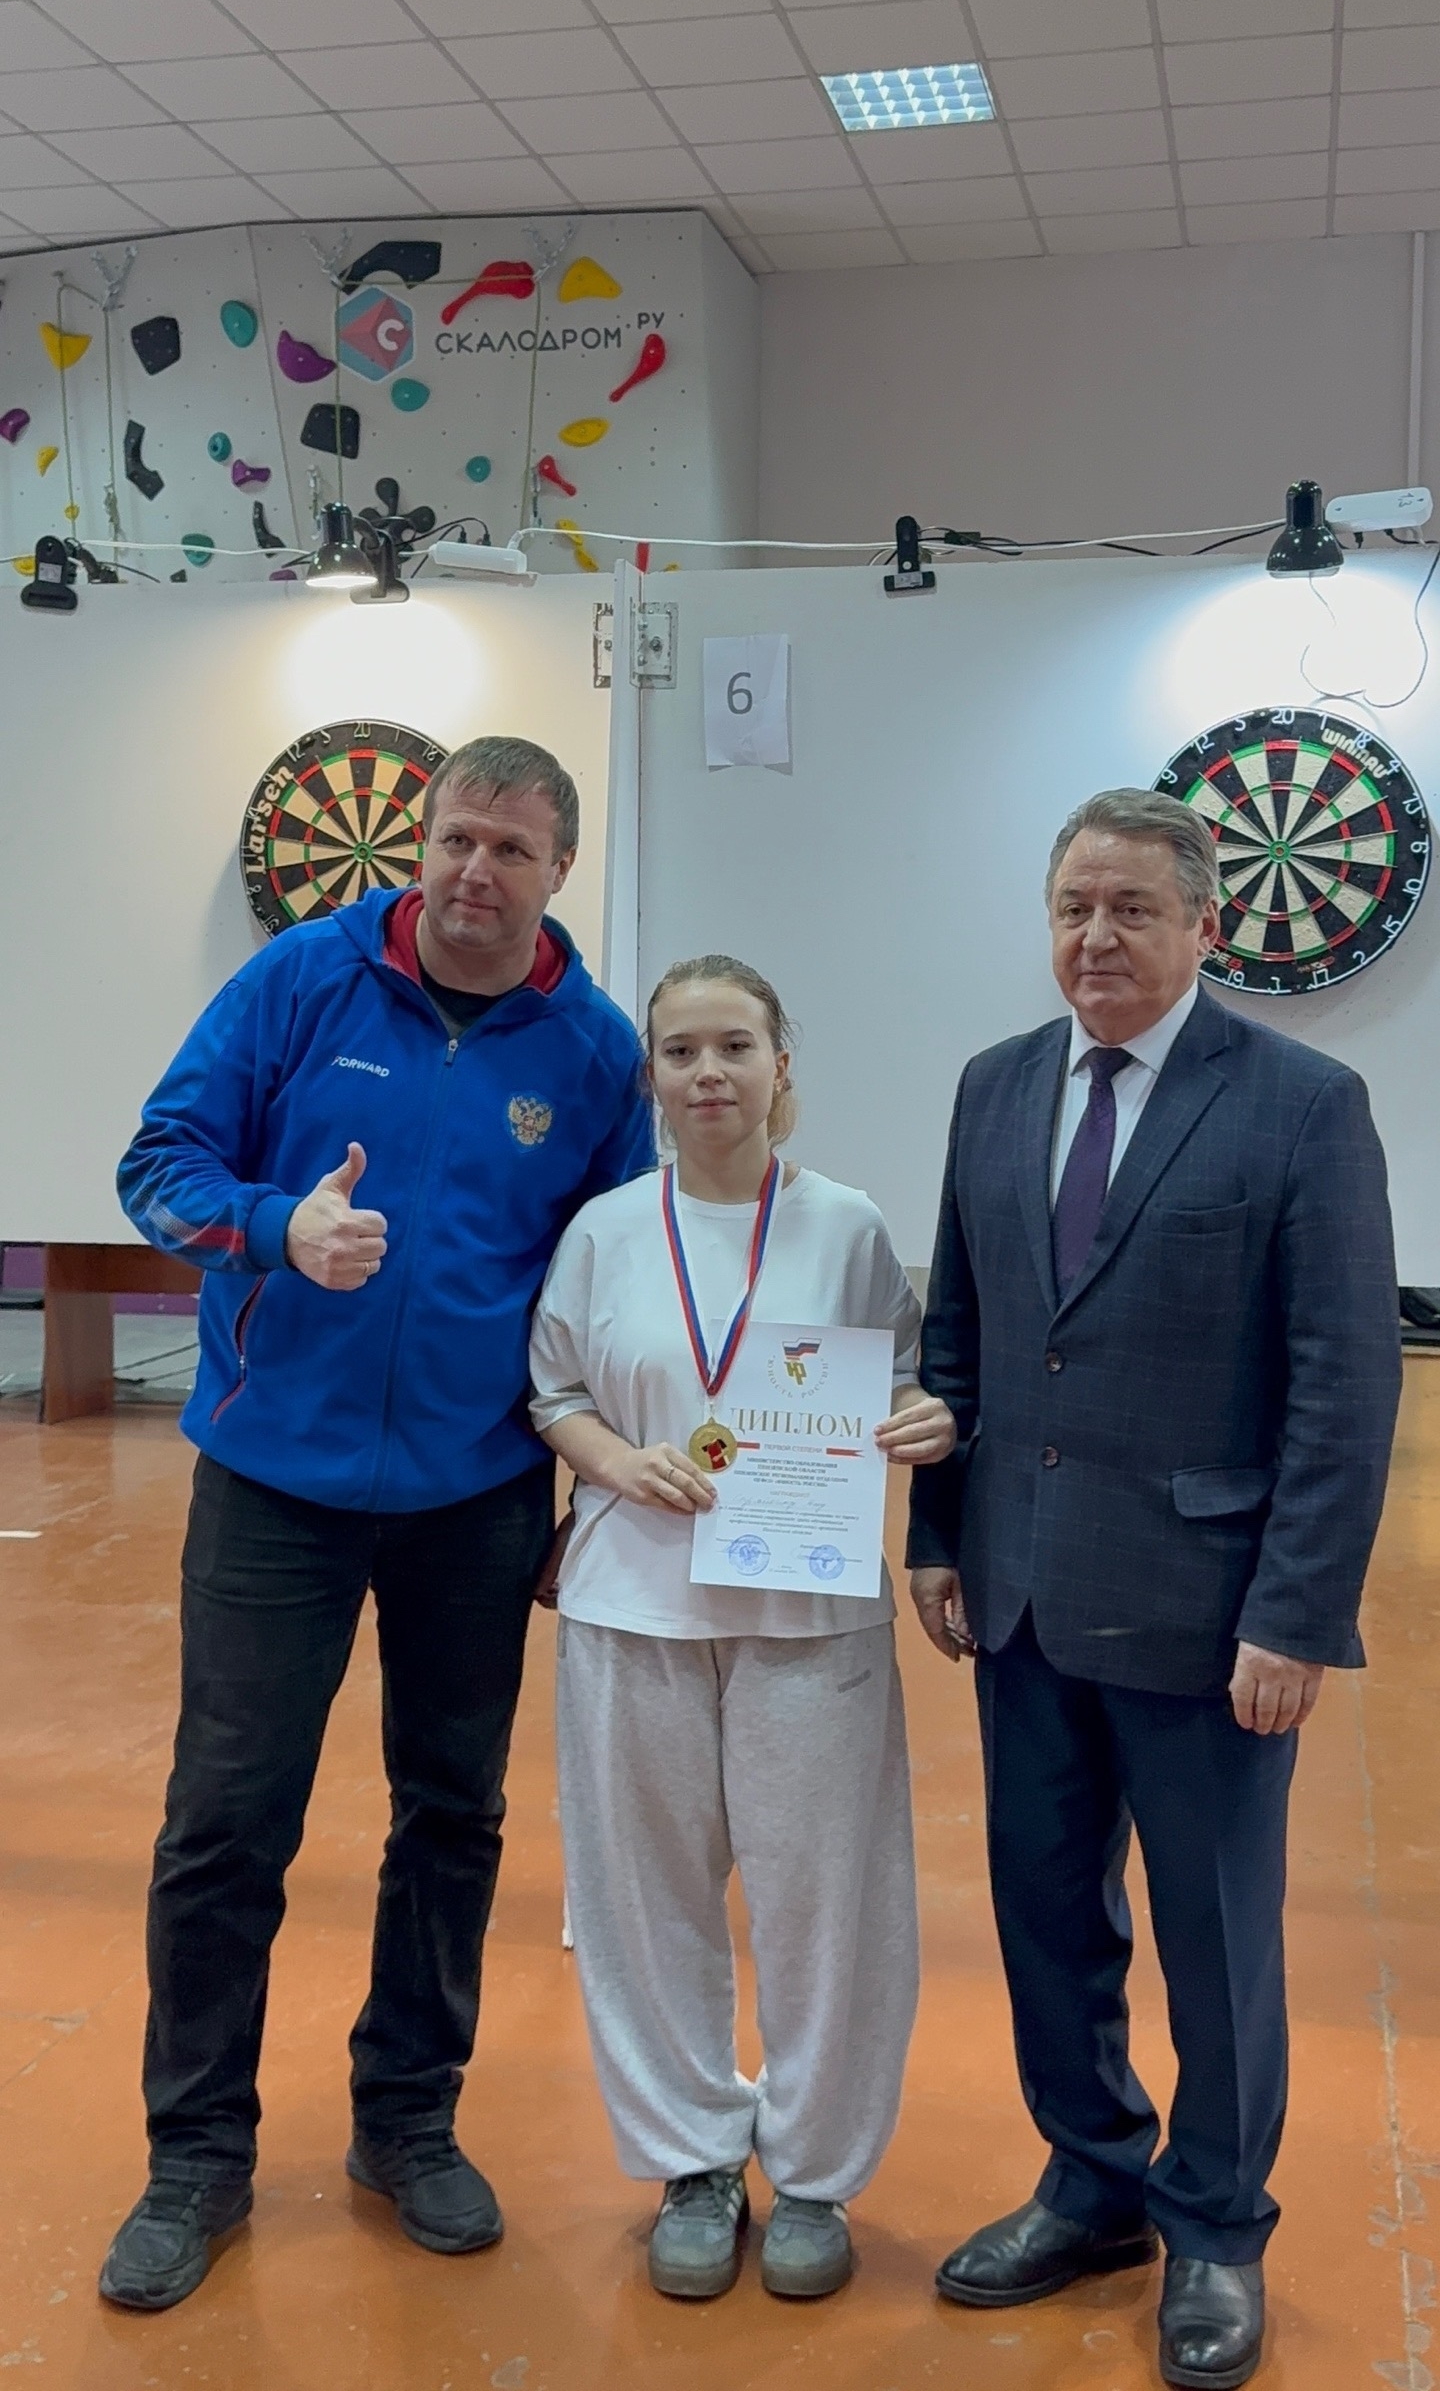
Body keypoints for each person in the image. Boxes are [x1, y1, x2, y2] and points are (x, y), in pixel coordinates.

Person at [101, 735, 652, 2313]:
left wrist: (588, 1478)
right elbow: (156, 1168)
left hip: (477, 1493)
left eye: (513, 850)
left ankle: (407, 2119)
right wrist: (279, 1227)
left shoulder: (593, 1051)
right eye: (457, 839)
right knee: (227, 1818)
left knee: (452, 1812)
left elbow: (613, 1283)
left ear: (559, 871)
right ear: (421, 842)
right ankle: (195, 2154)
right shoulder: (299, 981)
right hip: (273, 1477)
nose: (477, 872)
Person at [907, 789, 1401, 2391]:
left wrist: (1294, 1613)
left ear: (1205, 923)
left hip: (1207, 1610)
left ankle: (1216, 2226)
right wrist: (934, 1534)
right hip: (1021, 1598)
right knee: (1049, 1914)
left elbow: (1345, 1385)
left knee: (1215, 1938)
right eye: (1073, 907)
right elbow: (962, 1333)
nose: (1096, 937)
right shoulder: (994, 1087)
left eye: (1130, 907)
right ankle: (1093, 2182)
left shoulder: (1303, 1105)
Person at [528, 956, 955, 2304]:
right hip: (633, 1603)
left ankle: (818, 2170)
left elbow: (903, 1380)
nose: (708, 1072)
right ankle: (694, 2159)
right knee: (642, 1897)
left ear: (781, 1067)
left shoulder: (847, 1226)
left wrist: (925, 1421)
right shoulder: (605, 1229)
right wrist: (616, 1461)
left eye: (734, 1047)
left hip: (807, 1608)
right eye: (680, 1051)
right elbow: (554, 1392)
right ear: (650, 1077)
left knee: (830, 1901)